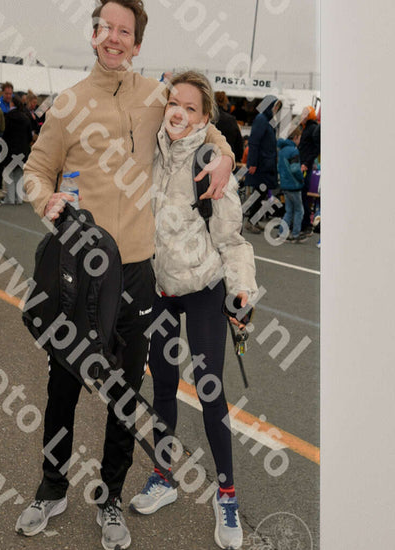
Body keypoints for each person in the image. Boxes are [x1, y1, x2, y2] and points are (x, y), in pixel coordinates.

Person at [16, 2, 235, 549]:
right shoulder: (68, 104)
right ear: (94, 35)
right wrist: (46, 199)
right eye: (106, 29)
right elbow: (35, 170)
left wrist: (226, 157)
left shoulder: (157, 96)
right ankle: (51, 487)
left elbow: (207, 128)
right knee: (63, 382)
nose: (114, 38)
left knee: (124, 390)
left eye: (125, 32)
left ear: (137, 44)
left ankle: (110, 497)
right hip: (79, 268)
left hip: (137, 272)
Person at [128, 71, 258, 550]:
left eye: (191, 108)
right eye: (174, 104)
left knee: (209, 390)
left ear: (205, 120)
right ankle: (164, 476)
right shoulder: (148, 149)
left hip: (203, 287)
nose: (179, 113)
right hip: (159, 288)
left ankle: (227, 496)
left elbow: (232, 240)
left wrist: (241, 291)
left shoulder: (210, 161)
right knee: (162, 386)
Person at [244, 95, 282, 233]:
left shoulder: (267, 120)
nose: (276, 109)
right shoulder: (261, 119)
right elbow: (254, 142)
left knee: (262, 194)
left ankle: (254, 220)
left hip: (266, 164)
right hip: (260, 165)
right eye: (275, 106)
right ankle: (251, 221)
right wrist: (253, 163)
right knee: (259, 194)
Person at [277, 128, 307, 243]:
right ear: (295, 138)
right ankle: (295, 234)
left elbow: (279, 167)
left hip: (284, 184)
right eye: (299, 138)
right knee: (299, 210)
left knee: (288, 211)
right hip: (294, 185)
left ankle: (281, 233)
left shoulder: (282, 150)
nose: (299, 141)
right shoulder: (294, 151)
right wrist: (301, 178)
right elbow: (295, 169)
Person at [2, 95, 32, 204]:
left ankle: (10, 199)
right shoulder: (26, 118)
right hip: (22, 151)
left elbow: (4, 135)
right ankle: (19, 198)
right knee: (19, 176)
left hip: (10, 150)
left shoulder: (8, 117)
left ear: (12, 104)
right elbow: (29, 137)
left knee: (9, 174)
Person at [298, 105, 320, 233]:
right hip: (303, 164)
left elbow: (316, 149)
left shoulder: (312, 129)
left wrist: (306, 162)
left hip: (305, 166)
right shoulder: (306, 128)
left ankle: (305, 223)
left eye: (305, 113)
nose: (303, 115)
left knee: (302, 193)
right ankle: (302, 222)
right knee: (301, 194)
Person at [214, 91, 244, 162]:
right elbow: (239, 144)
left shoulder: (207, 118)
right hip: (227, 158)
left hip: (210, 158)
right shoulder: (231, 120)